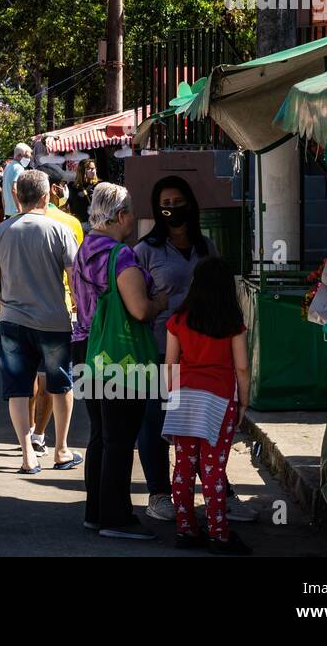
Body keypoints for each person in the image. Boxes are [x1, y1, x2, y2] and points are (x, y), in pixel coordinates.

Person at [72, 182, 168, 541]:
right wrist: (160, 302)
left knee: (100, 435)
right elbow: (139, 309)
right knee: (120, 438)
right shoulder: (121, 256)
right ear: (122, 215)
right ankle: (116, 517)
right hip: (119, 354)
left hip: (85, 347)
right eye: (130, 212)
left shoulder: (85, 249)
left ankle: (95, 512)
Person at [133, 175, 232, 524]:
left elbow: (222, 295)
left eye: (178, 202)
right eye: (166, 204)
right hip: (161, 350)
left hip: (207, 354)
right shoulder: (144, 251)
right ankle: (159, 493)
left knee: (206, 423)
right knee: (157, 420)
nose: (173, 209)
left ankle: (219, 492)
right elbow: (136, 304)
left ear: (190, 204)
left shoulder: (207, 247)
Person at [0, 169, 81, 474]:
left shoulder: (1, 231)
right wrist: (79, 309)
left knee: (18, 389)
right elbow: (74, 277)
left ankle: (28, 456)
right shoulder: (59, 230)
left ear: (16, 196)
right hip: (54, 320)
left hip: (12, 321)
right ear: (46, 195)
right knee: (61, 384)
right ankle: (61, 450)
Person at [162, 257, 252, 555]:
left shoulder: (178, 319)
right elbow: (241, 369)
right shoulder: (231, 323)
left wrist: (170, 397)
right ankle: (219, 534)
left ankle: (186, 530)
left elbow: (170, 364)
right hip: (219, 399)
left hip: (183, 397)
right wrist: (243, 402)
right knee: (214, 469)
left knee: (184, 466)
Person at [29, 184, 84, 458]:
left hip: (20, 311)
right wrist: (79, 305)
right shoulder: (70, 223)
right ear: (51, 192)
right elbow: (76, 269)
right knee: (54, 379)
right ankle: (41, 436)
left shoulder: (12, 225)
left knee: (27, 380)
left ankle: (27, 434)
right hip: (56, 309)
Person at [67, 158, 99, 229]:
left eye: (94, 168)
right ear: (82, 171)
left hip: (96, 224)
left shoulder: (99, 185)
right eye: (89, 169)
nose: (93, 171)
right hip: (79, 224)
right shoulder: (72, 187)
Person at [2, 142, 31, 217]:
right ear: (19, 156)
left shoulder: (8, 167)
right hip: (16, 211)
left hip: (8, 211)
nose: (28, 159)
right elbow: (14, 190)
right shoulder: (19, 168)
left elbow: (3, 190)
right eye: (27, 156)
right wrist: (20, 209)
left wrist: (5, 208)